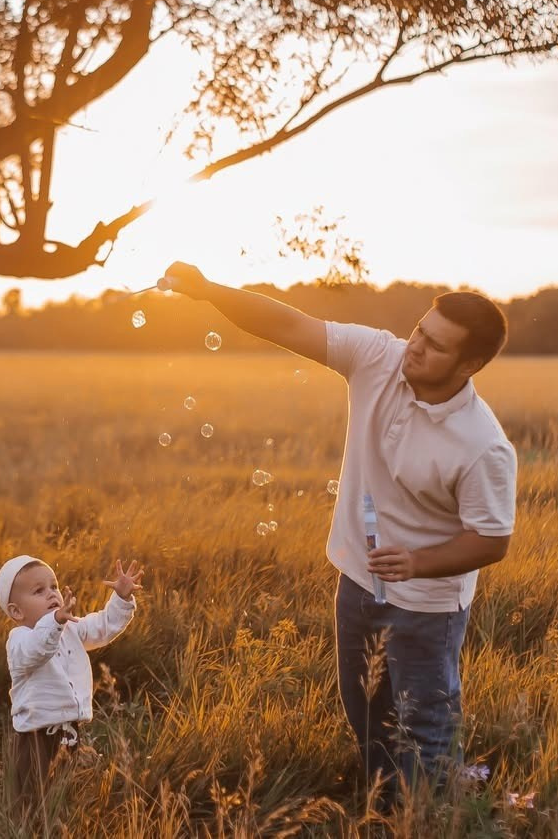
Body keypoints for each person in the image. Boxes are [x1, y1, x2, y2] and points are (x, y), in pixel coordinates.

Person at [163, 263, 515, 801]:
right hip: (357, 582)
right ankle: (382, 812)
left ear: (470, 365)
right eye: (419, 331)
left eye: (436, 346)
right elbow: (288, 325)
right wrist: (209, 291)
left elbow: (492, 540)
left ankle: (431, 820)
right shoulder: (378, 355)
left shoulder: (482, 445)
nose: (415, 348)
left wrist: (419, 563)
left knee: (426, 736)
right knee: (368, 719)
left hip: (425, 607)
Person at [0, 554, 143, 806]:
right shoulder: (19, 640)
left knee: (65, 790)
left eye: (54, 586)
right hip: (36, 736)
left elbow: (102, 627)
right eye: (39, 591)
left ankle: (62, 819)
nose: (52, 594)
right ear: (16, 611)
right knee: (32, 796)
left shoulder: (69, 627)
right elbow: (38, 649)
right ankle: (26, 828)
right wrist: (55, 622)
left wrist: (121, 598)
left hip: (69, 730)